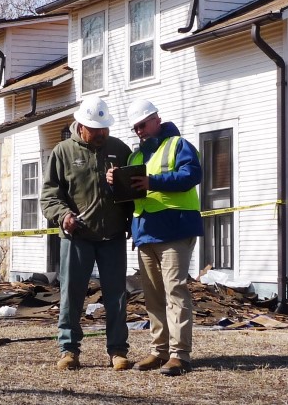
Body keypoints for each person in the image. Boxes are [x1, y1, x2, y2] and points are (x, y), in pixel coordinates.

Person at [40, 95, 134, 372]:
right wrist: (63, 215)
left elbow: (131, 193)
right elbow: (48, 196)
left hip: (113, 236)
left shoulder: (120, 148)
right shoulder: (63, 152)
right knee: (72, 294)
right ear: (81, 126)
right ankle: (69, 350)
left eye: (105, 128)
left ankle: (117, 351)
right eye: (96, 129)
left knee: (117, 296)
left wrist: (123, 191)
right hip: (77, 237)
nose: (102, 134)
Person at [116, 98, 203, 376]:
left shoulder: (179, 145)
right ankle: (159, 351)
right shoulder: (136, 157)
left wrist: (153, 182)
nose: (139, 131)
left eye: (142, 124)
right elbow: (130, 197)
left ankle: (180, 355)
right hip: (146, 233)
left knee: (175, 291)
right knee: (153, 297)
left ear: (156, 119)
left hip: (175, 229)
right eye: (135, 127)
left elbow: (191, 176)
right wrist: (114, 182)